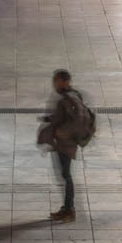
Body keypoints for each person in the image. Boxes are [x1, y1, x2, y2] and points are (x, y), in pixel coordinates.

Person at [37, 69, 93, 224]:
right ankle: (67, 208)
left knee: (66, 176)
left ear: (65, 81)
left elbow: (77, 119)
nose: (54, 83)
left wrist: (62, 132)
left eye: (57, 80)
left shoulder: (67, 99)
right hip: (65, 143)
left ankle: (70, 210)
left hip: (65, 144)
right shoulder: (72, 96)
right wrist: (49, 119)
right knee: (64, 175)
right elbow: (66, 116)